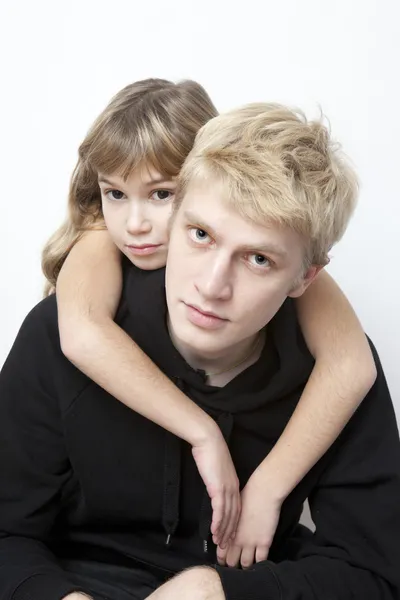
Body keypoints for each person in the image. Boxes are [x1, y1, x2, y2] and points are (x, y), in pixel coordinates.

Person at [0, 102, 399, 600]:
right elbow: (7, 533)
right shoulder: (58, 332)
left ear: (305, 277)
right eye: (200, 235)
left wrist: (215, 591)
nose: (212, 287)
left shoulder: (334, 366)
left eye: (258, 259)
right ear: (176, 217)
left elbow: (373, 573)